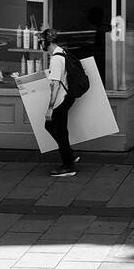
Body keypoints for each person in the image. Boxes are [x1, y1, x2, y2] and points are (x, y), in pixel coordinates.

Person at [42, 27, 80, 177]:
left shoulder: (56, 59)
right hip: (67, 97)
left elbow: (55, 85)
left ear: (48, 41)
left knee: (60, 131)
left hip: (61, 99)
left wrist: (50, 108)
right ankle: (70, 155)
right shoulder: (62, 52)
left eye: (42, 41)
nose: (41, 44)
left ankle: (68, 166)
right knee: (51, 126)